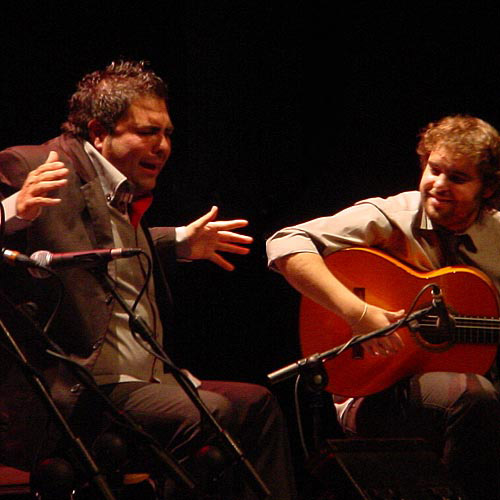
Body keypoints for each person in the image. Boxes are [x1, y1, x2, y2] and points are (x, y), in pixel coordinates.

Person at [0, 60, 297, 500]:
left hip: (141, 381)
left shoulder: (118, 190)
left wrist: (176, 241)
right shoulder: (34, 164)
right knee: (209, 416)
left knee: (257, 405)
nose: (163, 146)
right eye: (147, 132)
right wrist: (12, 211)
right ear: (98, 132)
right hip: (75, 387)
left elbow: (94, 246)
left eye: (167, 133)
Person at [266, 114, 500, 500]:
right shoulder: (394, 216)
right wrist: (359, 314)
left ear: (487, 188)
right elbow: (286, 243)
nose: (439, 185)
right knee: (474, 396)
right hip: (372, 388)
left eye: (457, 178)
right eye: (434, 170)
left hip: (468, 386)